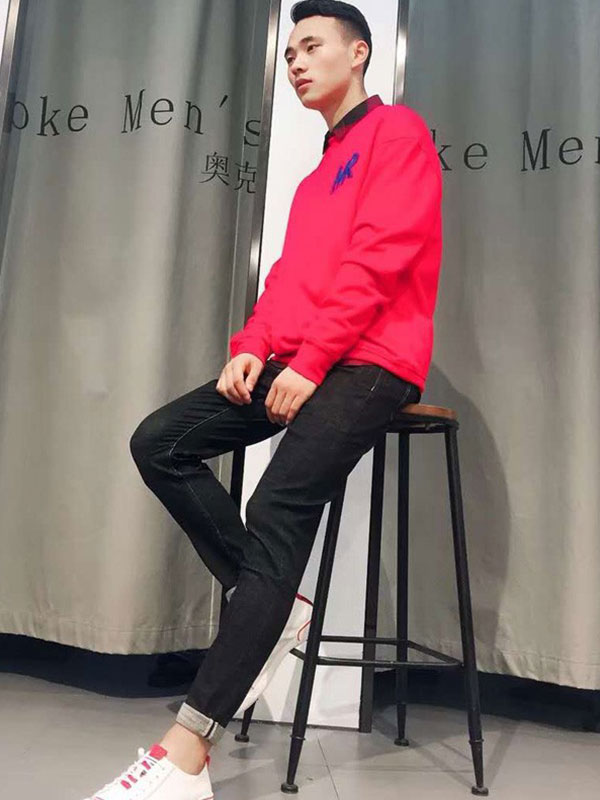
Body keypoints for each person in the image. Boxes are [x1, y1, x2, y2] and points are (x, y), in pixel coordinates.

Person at [82, 1, 442, 798]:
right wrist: (252, 344)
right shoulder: (317, 176)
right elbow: (288, 280)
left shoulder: (398, 133)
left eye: (311, 47)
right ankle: (270, 600)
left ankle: (188, 750)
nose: (296, 63)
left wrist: (309, 362)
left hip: (372, 361)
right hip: (305, 357)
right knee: (160, 441)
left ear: (359, 53)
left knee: (276, 507)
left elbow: (380, 260)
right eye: (289, 54)